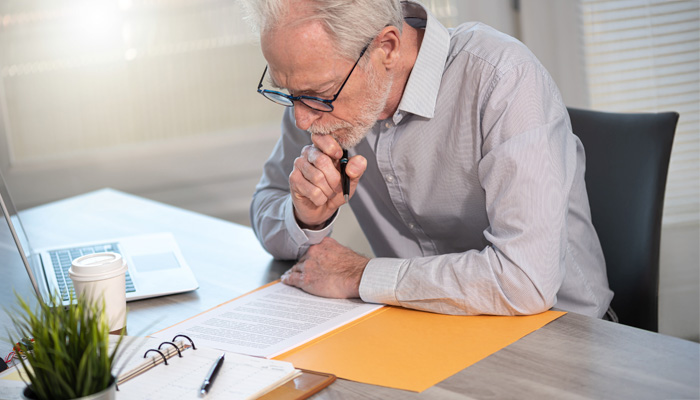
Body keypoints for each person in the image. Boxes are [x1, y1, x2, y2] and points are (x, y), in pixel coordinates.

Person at [244, 0, 613, 318]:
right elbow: (267, 203)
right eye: (288, 93)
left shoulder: (505, 79)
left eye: (318, 95)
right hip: (425, 329)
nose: (301, 119)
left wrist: (360, 276)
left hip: (558, 334)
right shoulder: (313, 91)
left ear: (386, 47)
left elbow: (525, 281)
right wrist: (307, 215)